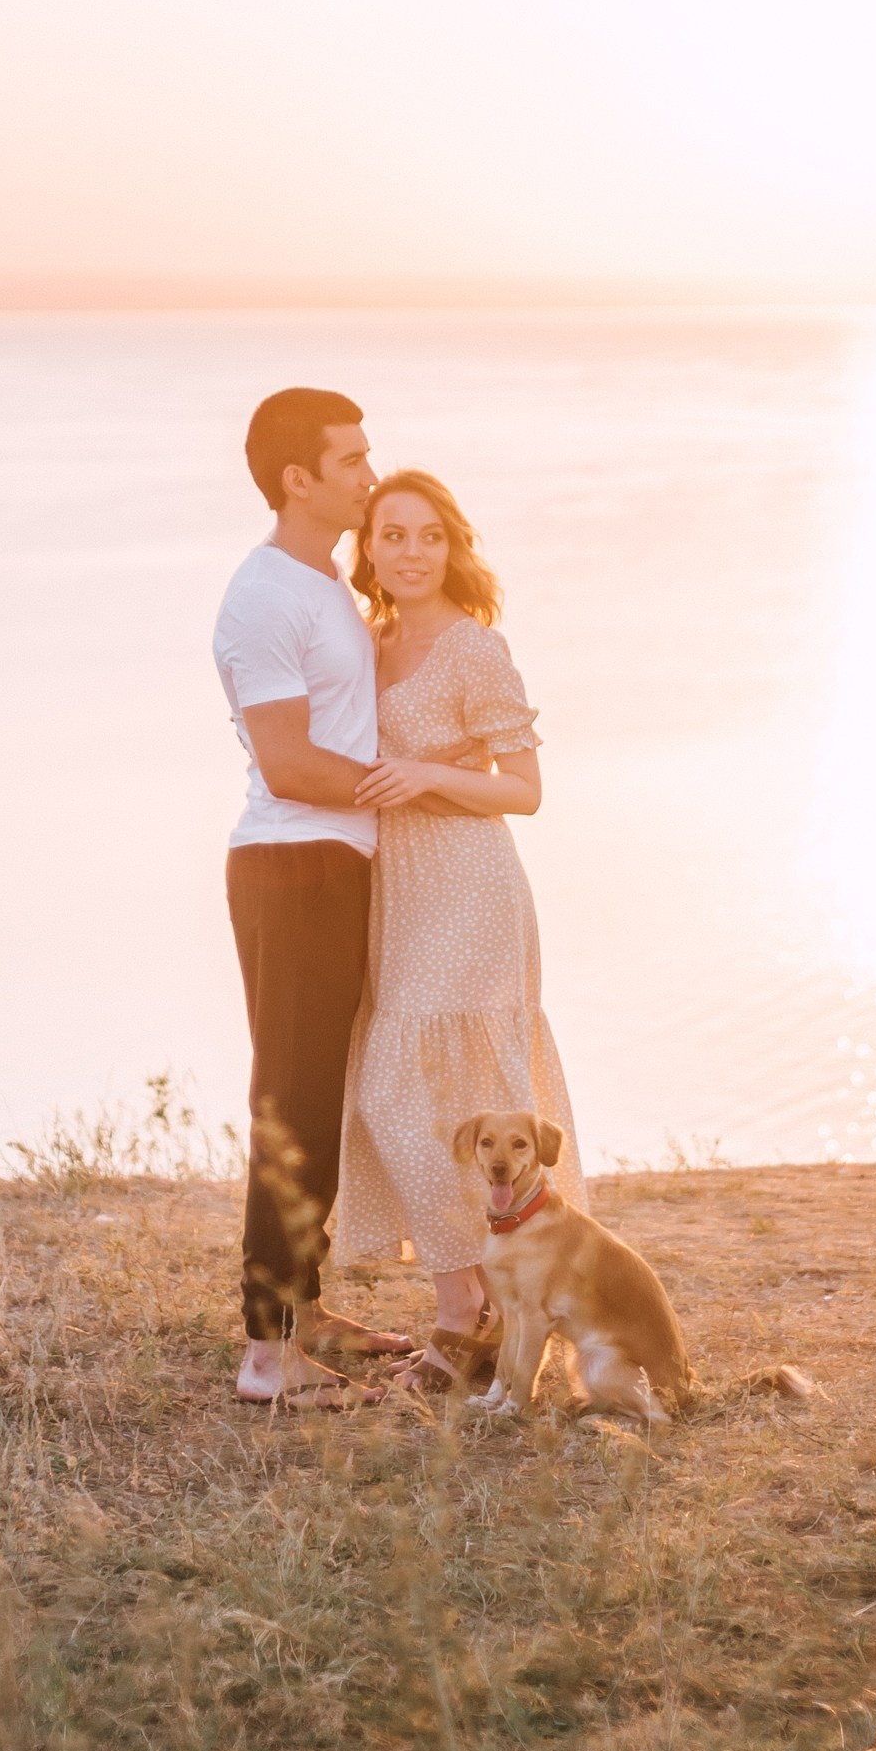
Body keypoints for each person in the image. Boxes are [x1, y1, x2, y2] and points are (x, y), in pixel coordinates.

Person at [333, 469, 582, 1400]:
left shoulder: (473, 648)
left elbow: (525, 789)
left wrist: (425, 776)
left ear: (453, 546)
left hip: (470, 884)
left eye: (429, 535)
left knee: (436, 1090)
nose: (411, 552)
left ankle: (471, 1309)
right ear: (368, 548)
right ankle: (475, 1301)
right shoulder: (366, 642)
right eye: (393, 535)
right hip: (398, 885)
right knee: (404, 1096)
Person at [211, 388, 413, 1406]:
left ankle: (306, 1306)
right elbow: (288, 762)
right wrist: (417, 786)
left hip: (336, 862)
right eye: (350, 460)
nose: (369, 475)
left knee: (321, 1099)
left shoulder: (325, 580)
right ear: (297, 478)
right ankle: (268, 1354)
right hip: (292, 868)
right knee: (289, 1106)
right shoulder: (263, 596)